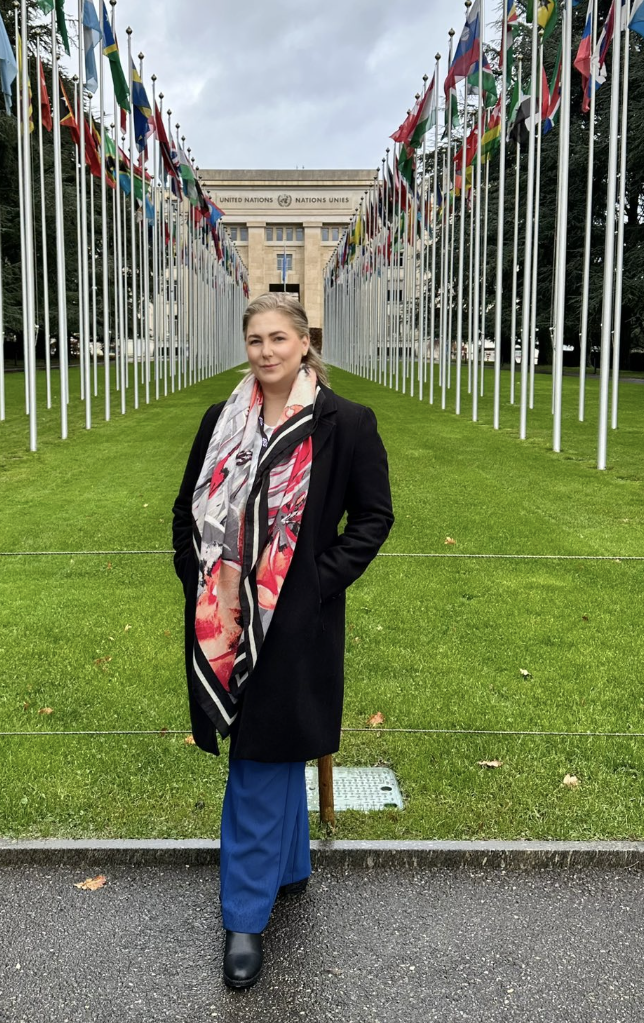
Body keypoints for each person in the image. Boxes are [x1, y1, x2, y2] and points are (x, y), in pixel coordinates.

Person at [171, 293, 394, 991]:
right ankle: (289, 869)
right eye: (255, 338)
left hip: (295, 626)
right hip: (224, 617)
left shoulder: (345, 423)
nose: (265, 350)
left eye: (278, 338)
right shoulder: (221, 419)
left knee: (260, 755)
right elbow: (188, 510)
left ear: (304, 344)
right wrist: (200, 580)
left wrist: (311, 588)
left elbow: (374, 519)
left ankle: (242, 917)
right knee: (270, 744)